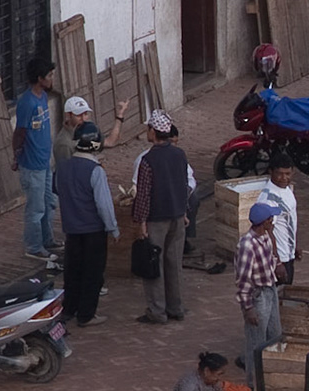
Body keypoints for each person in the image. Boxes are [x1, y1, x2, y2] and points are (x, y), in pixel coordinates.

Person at [132, 111, 191, 324]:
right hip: (177, 215)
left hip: (157, 219)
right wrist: (184, 212)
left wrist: (141, 222)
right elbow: (184, 186)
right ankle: (176, 307)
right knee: (174, 263)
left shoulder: (148, 161)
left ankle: (157, 311)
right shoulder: (180, 155)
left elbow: (144, 194)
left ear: (153, 132)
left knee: (154, 265)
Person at [57, 122, 118, 327]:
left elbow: (59, 192)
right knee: (92, 273)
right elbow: (104, 205)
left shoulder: (62, 168)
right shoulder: (95, 171)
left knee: (72, 271)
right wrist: (113, 228)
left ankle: (69, 309)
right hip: (93, 231)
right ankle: (86, 315)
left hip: (72, 230)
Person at [13, 57, 59, 262]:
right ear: (39, 78)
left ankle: (47, 239)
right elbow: (20, 132)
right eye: (49, 75)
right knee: (36, 208)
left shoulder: (42, 97)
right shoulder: (27, 102)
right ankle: (34, 246)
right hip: (32, 165)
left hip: (44, 161)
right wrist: (17, 155)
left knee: (48, 203)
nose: (52, 78)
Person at [237, 200, 284, 391]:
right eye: (270, 219)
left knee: (275, 334)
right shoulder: (246, 245)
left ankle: (272, 378)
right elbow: (242, 279)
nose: (273, 222)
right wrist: (248, 308)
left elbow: (269, 257)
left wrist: (278, 264)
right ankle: (254, 385)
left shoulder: (264, 237)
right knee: (256, 342)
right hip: (257, 295)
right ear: (264, 221)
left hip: (269, 289)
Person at [257, 153, 299, 284]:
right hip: (277, 259)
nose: (284, 178)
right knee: (277, 298)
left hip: (287, 253)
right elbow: (265, 232)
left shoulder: (286, 189)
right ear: (271, 171)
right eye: (279, 173)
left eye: (288, 174)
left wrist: (294, 246)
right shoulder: (268, 200)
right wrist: (277, 261)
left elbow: (289, 220)